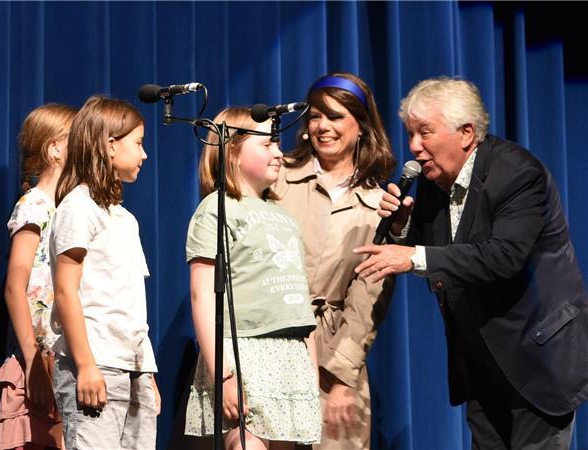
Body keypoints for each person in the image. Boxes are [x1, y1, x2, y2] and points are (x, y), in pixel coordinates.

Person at [353, 77, 588, 449]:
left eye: (424, 133)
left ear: (465, 132)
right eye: (411, 134)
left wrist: (411, 255)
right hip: (481, 361)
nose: (414, 147)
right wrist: (402, 228)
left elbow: (502, 256)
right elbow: (446, 252)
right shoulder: (434, 182)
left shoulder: (518, 174)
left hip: (537, 356)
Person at [184, 107, 321, 450]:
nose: (279, 152)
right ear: (232, 151)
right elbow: (203, 298)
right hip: (242, 352)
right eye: (268, 144)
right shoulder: (216, 209)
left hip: (288, 353)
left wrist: (312, 369)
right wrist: (224, 376)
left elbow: (300, 304)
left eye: (278, 143)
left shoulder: (282, 216)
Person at [273, 73, 396, 450]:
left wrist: (341, 376)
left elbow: (369, 298)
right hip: (270, 346)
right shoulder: (277, 180)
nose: (323, 126)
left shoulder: (381, 207)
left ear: (361, 126)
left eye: (336, 116)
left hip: (335, 356)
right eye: (315, 116)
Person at [50, 95, 160, 449]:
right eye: (138, 143)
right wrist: (85, 365)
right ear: (110, 145)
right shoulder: (78, 208)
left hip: (132, 366)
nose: (144, 155)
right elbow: (66, 291)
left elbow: (128, 302)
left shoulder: (124, 218)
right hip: (97, 362)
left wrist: (146, 368)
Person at [0, 103, 76, 450]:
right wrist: (32, 360)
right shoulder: (35, 204)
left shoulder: (73, 209)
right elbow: (15, 285)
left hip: (66, 359)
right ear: (55, 147)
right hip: (37, 361)